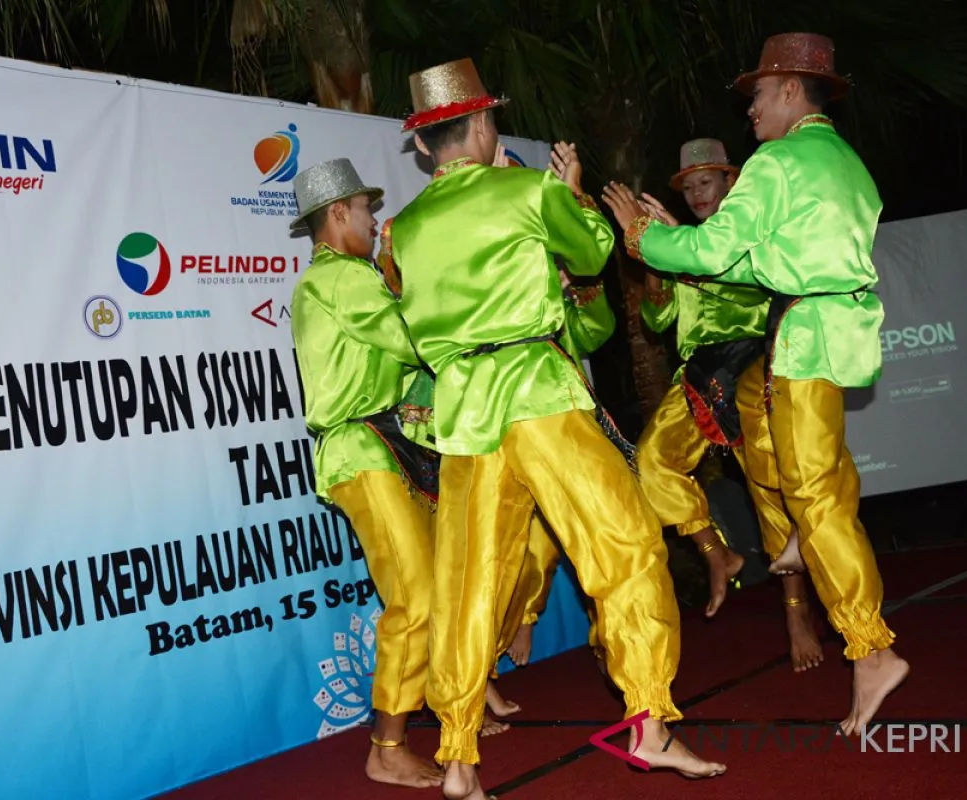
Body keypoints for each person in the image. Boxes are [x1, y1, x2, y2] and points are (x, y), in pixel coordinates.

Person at [391, 58, 725, 800]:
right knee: (626, 545)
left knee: (468, 581)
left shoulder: (403, 231)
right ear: (483, 124)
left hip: (465, 412)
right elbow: (594, 251)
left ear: (421, 145)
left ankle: (458, 758)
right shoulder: (524, 190)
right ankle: (649, 722)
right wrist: (566, 194)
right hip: (537, 394)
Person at [601, 32, 909, 737]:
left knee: (813, 491)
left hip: (804, 336)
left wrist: (645, 239)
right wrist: (677, 249)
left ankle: (871, 648)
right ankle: (799, 542)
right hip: (840, 329)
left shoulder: (777, 161)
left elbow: (714, 249)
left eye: (760, 94)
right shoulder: (848, 163)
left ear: (792, 90)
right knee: (818, 472)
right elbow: (755, 265)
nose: (752, 111)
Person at [636, 138, 824, 671]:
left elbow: (754, 290)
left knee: (769, 488)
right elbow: (656, 319)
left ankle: (795, 614)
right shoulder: (681, 241)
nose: (697, 193)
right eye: (689, 187)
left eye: (706, 182)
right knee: (651, 461)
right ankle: (716, 551)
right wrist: (653, 253)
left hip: (751, 363)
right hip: (698, 374)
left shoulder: (751, 230)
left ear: (730, 182)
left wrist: (678, 246)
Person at [288, 158, 441, 788]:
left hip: (382, 447)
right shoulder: (342, 278)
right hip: (363, 450)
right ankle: (387, 747)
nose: (375, 222)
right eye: (366, 210)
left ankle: (452, 707)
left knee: (427, 586)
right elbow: (414, 338)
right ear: (338, 213)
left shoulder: (341, 279)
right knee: (416, 594)